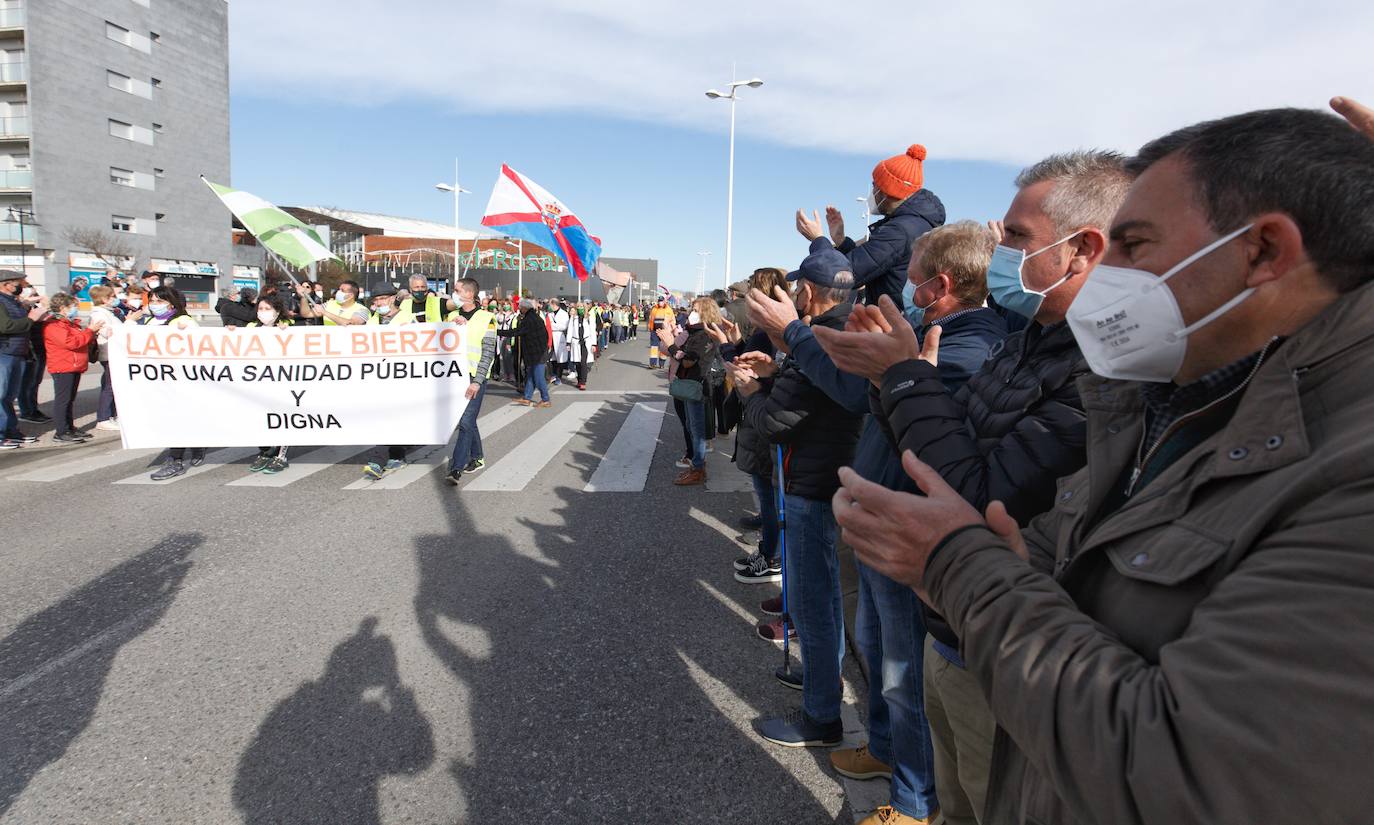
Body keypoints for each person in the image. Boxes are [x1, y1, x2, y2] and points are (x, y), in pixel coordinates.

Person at [813, 151, 1127, 825]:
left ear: (1081, 252)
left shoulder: (1098, 367)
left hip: (1001, 644)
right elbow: (955, 436)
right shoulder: (1029, 342)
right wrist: (893, 380)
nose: (1000, 250)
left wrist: (900, 376)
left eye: (1016, 237)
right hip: (954, 624)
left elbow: (980, 496)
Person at [739, 242, 863, 750]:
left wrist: (751, 392)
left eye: (795, 288)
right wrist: (776, 370)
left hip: (811, 484)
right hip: (833, 477)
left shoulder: (818, 335)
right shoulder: (845, 328)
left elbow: (775, 423)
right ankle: (822, 684)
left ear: (809, 292)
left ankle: (819, 716)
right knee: (824, 595)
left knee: (812, 601)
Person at [796, 144, 946, 310]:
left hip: (887, 322)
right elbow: (872, 262)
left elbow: (843, 276)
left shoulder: (899, 231)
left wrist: (817, 239)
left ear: (887, 192)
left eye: (875, 185)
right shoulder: (917, 224)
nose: (872, 191)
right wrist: (841, 240)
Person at [140, 286, 207, 479]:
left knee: (177, 418)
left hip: (180, 379)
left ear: (171, 303)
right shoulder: (151, 321)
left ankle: (175, 460)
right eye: (152, 301)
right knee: (171, 418)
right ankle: (198, 442)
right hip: (158, 379)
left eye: (159, 301)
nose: (155, 305)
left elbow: (199, 347)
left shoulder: (183, 321)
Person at [661, 297, 721, 485]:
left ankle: (698, 468)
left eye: (694, 309)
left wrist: (670, 343)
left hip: (698, 385)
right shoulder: (695, 332)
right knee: (692, 427)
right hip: (691, 384)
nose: (690, 312)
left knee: (697, 430)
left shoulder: (705, 334)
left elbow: (688, 360)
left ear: (704, 312)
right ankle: (696, 465)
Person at [444, 278, 497, 483]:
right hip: (453, 376)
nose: (453, 294)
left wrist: (477, 381)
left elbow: (488, 352)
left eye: (456, 291)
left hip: (474, 377)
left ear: (468, 294)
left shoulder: (487, 318)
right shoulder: (451, 315)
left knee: (465, 422)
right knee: (467, 420)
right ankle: (477, 456)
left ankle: (456, 468)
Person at [242, 295, 294, 473]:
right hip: (257, 382)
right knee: (259, 418)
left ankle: (281, 455)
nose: (263, 312)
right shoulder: (251, 328)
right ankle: (265, 451)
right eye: (260, 309)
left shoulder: (287, 327)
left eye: (267, 309)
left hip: (280, 381)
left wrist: (286, 332)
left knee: (281, 418)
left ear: (277, 311)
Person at [42, 293, 101, 444]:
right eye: (72, 306)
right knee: (63, 400)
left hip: (73, 365)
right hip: (63, 366)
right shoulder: (53, 325)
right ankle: (61, 431)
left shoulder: (69, 324)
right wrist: (89, 331)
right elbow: (71, 343)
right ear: (63, 308)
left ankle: (69, 427)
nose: (75, 309)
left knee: (69, 399)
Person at [0, 270, 49, 449]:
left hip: (18, 352)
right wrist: (30, 319)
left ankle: (11, 431)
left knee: (9, 395)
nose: (21, 286)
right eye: (17, 282)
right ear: (6, 284)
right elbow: (5, 326)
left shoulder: (13, 301)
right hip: (4, 352)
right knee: (2, 395)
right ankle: (2, 434)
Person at [499, 299, 550, 408]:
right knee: (530, 376)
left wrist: (498, 332)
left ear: (525, 308)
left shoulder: (529, 319)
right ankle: (527, 398)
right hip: (535, 352)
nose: (519, 309)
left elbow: (516, 332)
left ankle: (546, 399)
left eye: (520, 307)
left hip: (537, 354)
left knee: (538, 377)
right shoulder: (534, 317)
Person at [88, 285, 125, 431]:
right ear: (104, 299)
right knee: (109, 387)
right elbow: (108, 332)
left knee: (110, 385)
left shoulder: (108, 312)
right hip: (109, 353)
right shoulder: (100, 314)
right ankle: (103, 418)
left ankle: (110, 415)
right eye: (111, 297)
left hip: (113, 353)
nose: (114, 299)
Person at [296, 279, 369, 326]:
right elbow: (306, 314)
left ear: (350, 295)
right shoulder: (330, 304)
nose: (338, 292)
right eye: (339, 289)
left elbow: (351, 323)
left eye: (342, 290)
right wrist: (304, 297)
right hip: (330, 345)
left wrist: (324, 312)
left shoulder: (362, 309)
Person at [565, 303, 597, 391]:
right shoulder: (573, 318)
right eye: (578, 307)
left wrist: (594, 344)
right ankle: (579, 380)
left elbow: (592, 331)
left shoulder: (589, 318)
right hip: (575, 342)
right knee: (577, 363)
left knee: (583, 363)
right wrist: (568, 343)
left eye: (581, 307)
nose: (580, 308)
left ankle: (583, 382)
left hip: (585, 343)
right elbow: (570, 330)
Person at [647, 296, 676, 367]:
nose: (660, 302)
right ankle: (653, 364)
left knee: (663, 347)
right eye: (659, 301)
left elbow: (672, 320)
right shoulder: (654, 309)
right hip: (655, 330)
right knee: (654, 347)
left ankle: (662, 363)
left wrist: (673, 328)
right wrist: (650, 327)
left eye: (662, 301)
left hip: (664, 331)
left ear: (664, 301)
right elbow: (651, 319)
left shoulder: (669, 309)